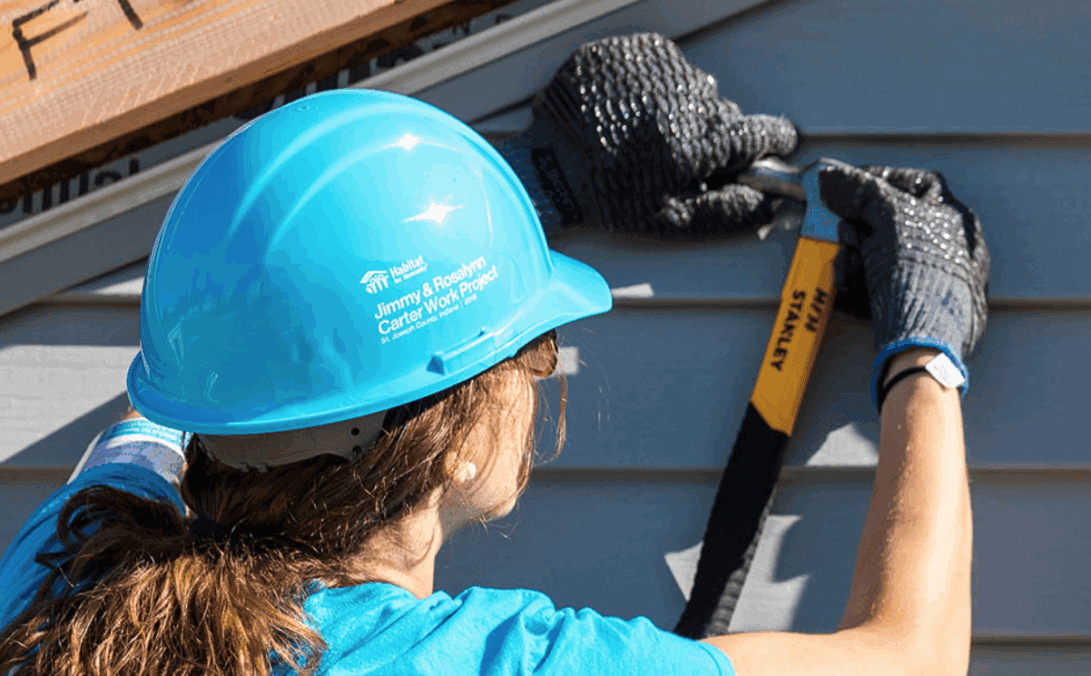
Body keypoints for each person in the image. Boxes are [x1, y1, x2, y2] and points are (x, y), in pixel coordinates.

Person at [0, 33, 988, 676]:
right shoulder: (504, 662)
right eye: (534, 346)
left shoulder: (69, 572)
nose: (549, 366)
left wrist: (513, 200)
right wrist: (924, 352)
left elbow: (225, 360)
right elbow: (913, 656)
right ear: (452, 446)